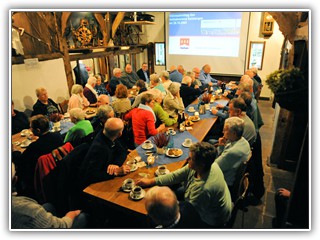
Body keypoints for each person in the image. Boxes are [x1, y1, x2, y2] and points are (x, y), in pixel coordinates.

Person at [137, 142, 232, 227]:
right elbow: (175, 176)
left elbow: (190, 212)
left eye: (191, 158)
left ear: (201, 164)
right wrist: (150, 181)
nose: (187, 159)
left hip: (211, 219)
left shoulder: (204, 189)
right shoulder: (208, 165)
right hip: (203, 202)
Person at [11, 163, 87, 229]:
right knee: (83, 217)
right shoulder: (26, 209)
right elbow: (63, 226)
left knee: (49, 206)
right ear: (15, 180)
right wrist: (73, 214)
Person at [15, 115, 63, 199]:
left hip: (40, 175)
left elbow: (22, 160)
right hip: (57, 168)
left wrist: (15, 153)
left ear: (38, 130)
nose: (30, 130)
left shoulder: (34, 147)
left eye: (31, 128)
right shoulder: (57, 136)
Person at [79, 118, 130, 189]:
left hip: (104, 172)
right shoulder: (99, 149)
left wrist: (115, 164)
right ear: (120, 134)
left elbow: (122, 151)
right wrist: (115, 172)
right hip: (90, 188)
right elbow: (90, 176)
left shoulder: (107, 134)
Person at [215, 117, 251, 188]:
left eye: (225, 130)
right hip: (229, 170)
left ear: (234, 133)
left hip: (224, 181)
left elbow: (214, 167)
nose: (222, 132)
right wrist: (221, 146)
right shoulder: (244, 141)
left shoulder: (232, 152)